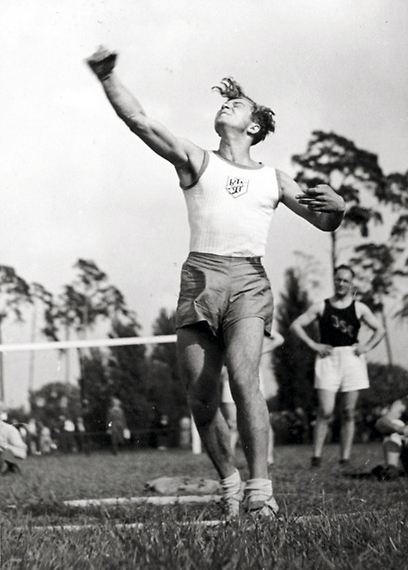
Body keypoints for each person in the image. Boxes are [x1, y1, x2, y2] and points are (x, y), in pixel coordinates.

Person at [86, 47, 345, 517]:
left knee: (245, 380)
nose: (227, 105)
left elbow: (323, 222)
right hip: (200, 278)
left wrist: (338, 208)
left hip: (248, 280)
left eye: (238, 104)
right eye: (226, 102)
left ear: (255, 128)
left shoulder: (275, 178)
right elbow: (140, 121)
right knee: (202, 400)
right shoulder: (195, 159)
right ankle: (229, 482)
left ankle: (261, 492)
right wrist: (107, 79)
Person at [290, 265, 385, 468]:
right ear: (334, 281)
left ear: (351, 283)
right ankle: (316, 457)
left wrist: (367, 347)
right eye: (338, 279)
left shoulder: (359, 308)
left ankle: (345, 458)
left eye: (345, 280)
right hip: (328, 358)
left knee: (349, 411)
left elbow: (380, 329)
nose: (341, 283)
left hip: (352, 358)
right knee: (326, 410)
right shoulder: (322, 306)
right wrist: (313, 345)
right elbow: (296, 325)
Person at [221, 332, 284, 465]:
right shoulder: (226, 335)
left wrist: (261, 346)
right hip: (229, 382)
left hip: (253, 382)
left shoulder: (253, 335)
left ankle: (268, 457)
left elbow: (279, 339)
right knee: (232, 423)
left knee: (261, 420)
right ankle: (228, 460)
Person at [373, 396, 408, 479]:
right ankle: (392, 468)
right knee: (395, 424)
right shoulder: (402, 403)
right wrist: (399, 428)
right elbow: (381, 422)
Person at [0, 403, 27, 474]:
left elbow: (21, 450)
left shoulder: (9, 430)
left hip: (8, 457)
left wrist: (3, 446)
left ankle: (10, 468)